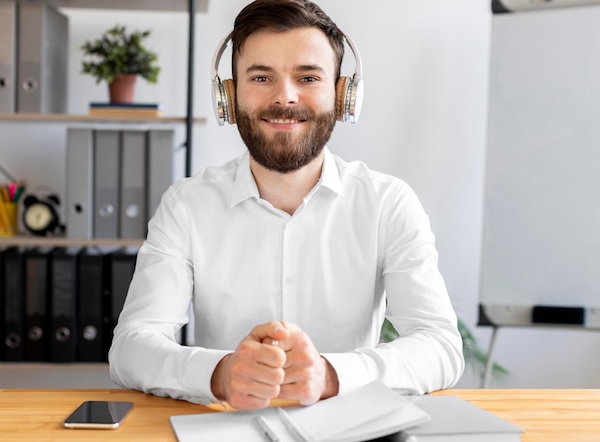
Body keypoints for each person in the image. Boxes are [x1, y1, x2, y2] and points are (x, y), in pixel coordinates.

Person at [109, 0, 464, 410]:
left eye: (308, 76)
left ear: (343, 93)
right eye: (262, 77)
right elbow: (131, 349)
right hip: (225, 430)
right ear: (228, 95)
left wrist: (331, 375)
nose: (285, 97)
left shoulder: (388, 203)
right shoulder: (187, 205)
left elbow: (440, 346)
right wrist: (221, 373)